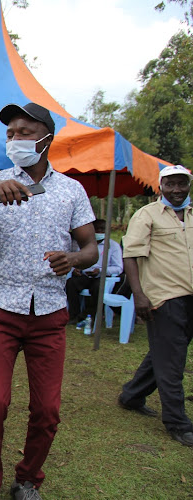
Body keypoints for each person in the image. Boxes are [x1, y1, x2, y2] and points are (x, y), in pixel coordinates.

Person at [0, 102, 97, 500]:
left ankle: (27, 479)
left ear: (46, 138)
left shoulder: (71, 191)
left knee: (47, 410)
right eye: (10, 134)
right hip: (1, 309)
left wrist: (72, 258)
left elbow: (89, 248)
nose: (14, 139)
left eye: (23, 132)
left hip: (49, 313)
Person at [118, 164, 193, 447]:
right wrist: (139, 295)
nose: (176, 190)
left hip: (190, 297)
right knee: (173, 362)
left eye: (181, 184)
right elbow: (131, 255)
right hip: (164, 297)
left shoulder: (191, 213)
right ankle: (177, 422)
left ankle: (132, 396)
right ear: (160, 186)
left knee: (167, 352)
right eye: (170, 184)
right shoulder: (146, 215)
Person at [65, 218, 123, 324]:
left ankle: (94, 315)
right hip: (85, 274)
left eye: (102, 229)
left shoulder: (113, 246)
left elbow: (118, 267)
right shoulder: (84, 244)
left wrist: (100, 270)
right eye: (97, 229)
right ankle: (74, 315)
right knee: (71, 283)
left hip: (102, 276)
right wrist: (75, 269)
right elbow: (76, 259)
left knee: (98, 287)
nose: (99, 232)